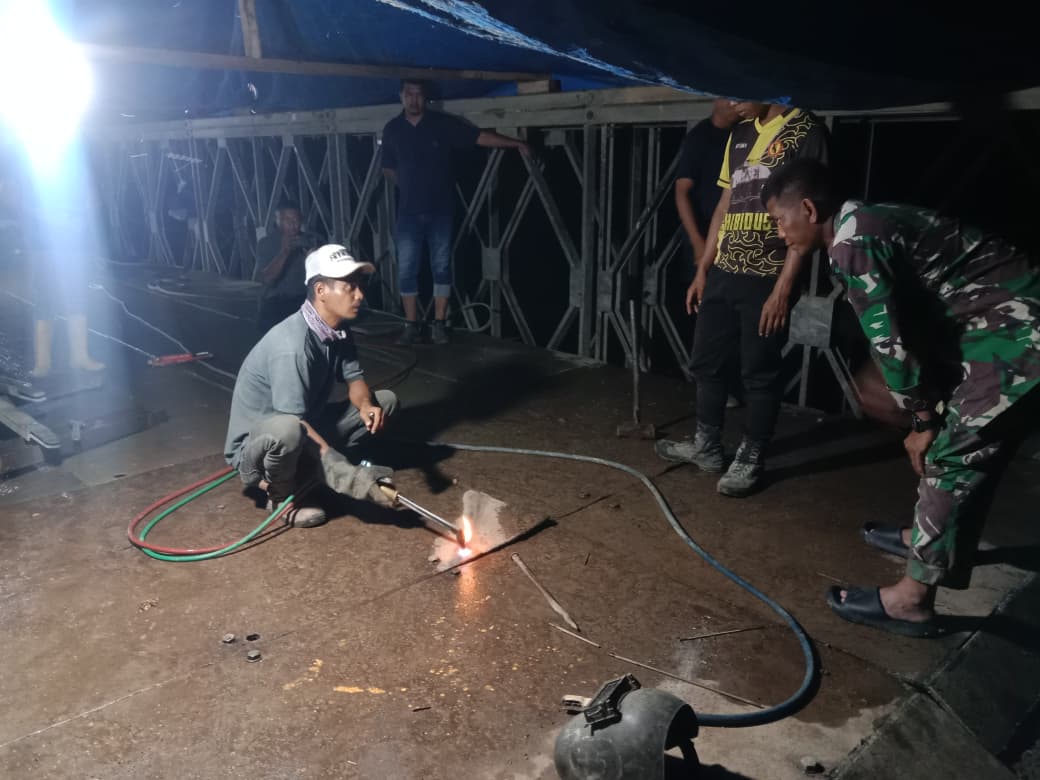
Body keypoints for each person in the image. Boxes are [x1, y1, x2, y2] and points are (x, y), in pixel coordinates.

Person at [762, 158, 1040, 637]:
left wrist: (921, 419)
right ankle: (926, 538)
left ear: (807, 209)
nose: (778, 232)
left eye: (778, 219)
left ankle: (910, 602)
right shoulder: (865, 220)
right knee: (971, 449)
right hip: (1001, 328)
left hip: (1018, 336)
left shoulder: (852, 242)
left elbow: (889, 341)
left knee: (951, 455)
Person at [656, 101, 829, 497]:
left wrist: (783, 289)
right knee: (706, 361)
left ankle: (751, 456)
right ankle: (707, 445)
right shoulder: (741, 132)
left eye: (739, 95)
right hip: (724, 270)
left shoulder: (806, 130)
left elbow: (810, 214)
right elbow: (725, 202)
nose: (733, 104)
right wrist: (704, 268)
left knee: (759, 370)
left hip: (767, 274)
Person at [225, 243, 399, 528]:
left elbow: (355, 380)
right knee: (288, 430)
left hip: (305, 424)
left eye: (359, 285)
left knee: (386, 401)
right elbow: (295, 423)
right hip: (259, 447)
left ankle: (315, 471)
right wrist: (348, 476)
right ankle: (280, 495)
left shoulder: (338, 329)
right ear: (321, 291)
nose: (360, 295)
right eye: (349, 287)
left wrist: (367, 405)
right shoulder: (292, 347)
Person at [381, 79, 531, 345]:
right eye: (409, 94)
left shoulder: (441, 124)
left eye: (418, 94)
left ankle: (439, 323)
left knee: (441, 267)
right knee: (406, 269)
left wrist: (516, 143)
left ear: (425, 97)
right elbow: (387, 166)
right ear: (401, 96)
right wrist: (405, 185)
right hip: (408, 213)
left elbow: (478, 137)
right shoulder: (392, 129)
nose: (414, 99)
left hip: (441, 211)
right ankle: (411, 325)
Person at [674, 97, 742, 408]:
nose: (738, 105)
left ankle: (723, 384)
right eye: (732, 99)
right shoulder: (700, 137)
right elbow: (682, 192)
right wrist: (698, 243)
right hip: (705, 240)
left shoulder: (744, 134)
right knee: (704, 314)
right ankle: (707, 386)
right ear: (717, 99)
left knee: (729, 316)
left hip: (733, 241)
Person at [254, 202, 322, 336]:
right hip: (274, 306)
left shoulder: (310, 241)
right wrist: (285, 252)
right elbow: (267, 278)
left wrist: (313, 257)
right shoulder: (266, 243)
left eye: (296, 219)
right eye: (287, 219)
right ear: (277, 220)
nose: (293, 224)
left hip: (302, 303)